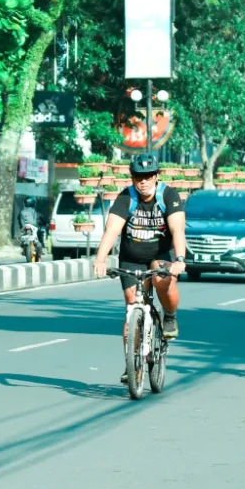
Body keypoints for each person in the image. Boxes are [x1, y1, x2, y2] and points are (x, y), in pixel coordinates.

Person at [93, 153, 187, 379]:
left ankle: (170, 315)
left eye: (147, 176)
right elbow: (112, 231)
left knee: (162, 279)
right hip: (131, 258)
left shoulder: (168, 196)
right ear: (132, 177)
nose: (143, 181)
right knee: (131, 307)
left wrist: (180, 260)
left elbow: (177, 230)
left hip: (159, 255)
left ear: (156, 175)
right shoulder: (126, 197)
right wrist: (100, 259)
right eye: (138, 177)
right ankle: (131, 362)